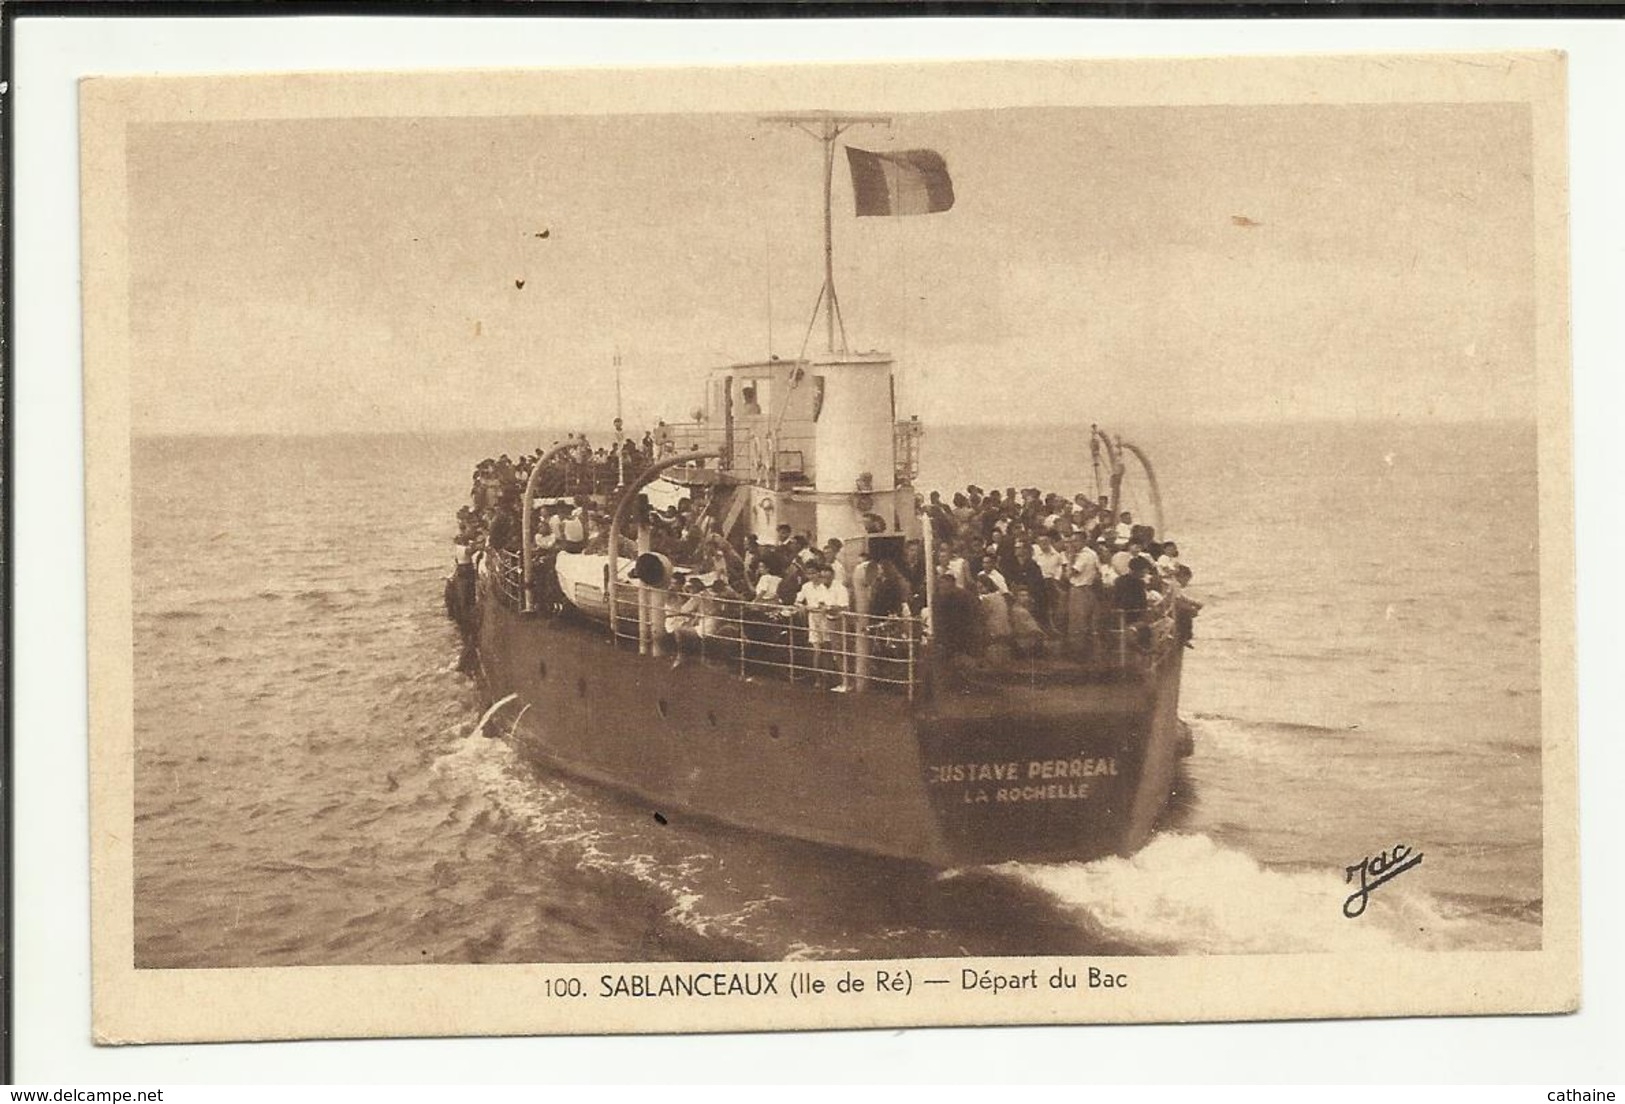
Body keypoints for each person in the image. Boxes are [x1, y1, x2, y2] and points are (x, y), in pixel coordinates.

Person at [796, 563, 851, 690]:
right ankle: (820, 678)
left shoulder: (833, 587)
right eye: (809, 573)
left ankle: (839, 680)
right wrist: (805, 607)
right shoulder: (811, 587)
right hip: (816, 619)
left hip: (831, 620)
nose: (813, 576)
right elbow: (819, 604)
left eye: (814, 573)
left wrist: (827, 608)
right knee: (818, 649)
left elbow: (841, 606)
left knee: (833, 650)